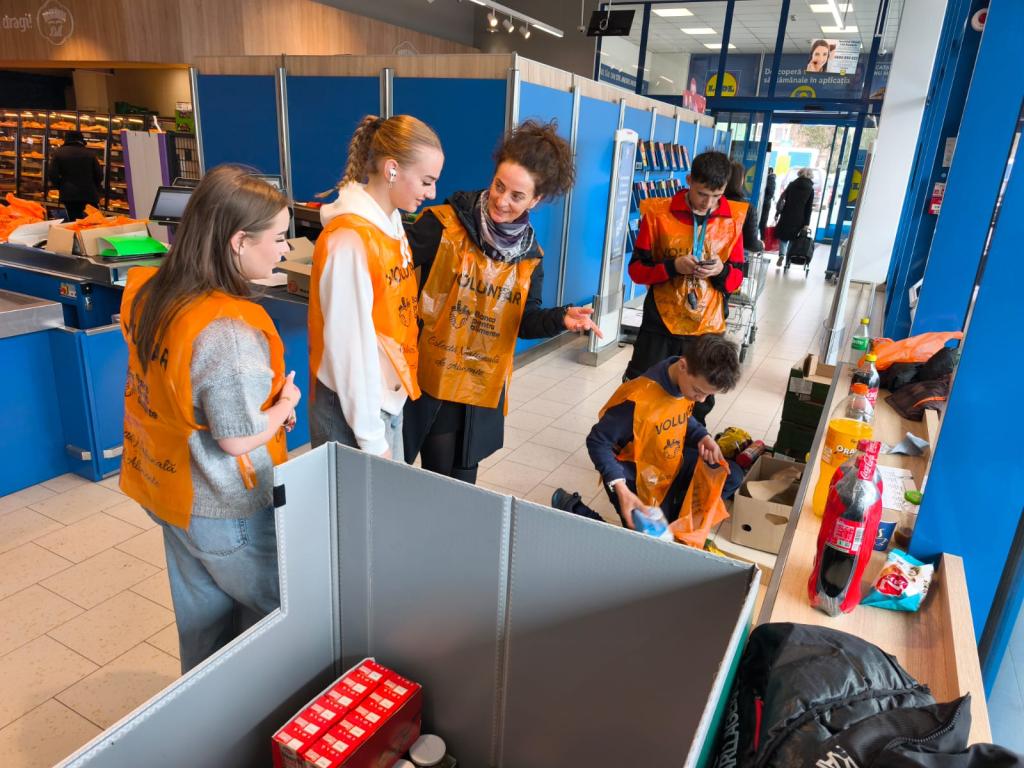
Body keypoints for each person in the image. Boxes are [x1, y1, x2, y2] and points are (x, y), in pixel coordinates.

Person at [119, 165, 300, 673]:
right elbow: (238, 440)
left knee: (203, 632)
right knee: (278, 616)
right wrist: (283, 407)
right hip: (227, 508)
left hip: (172, 489)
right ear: (239, 241)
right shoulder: (228, 332)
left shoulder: (153, 291)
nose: (285, 249)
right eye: (278, 238)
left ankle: (206, 711)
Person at [403, 119, 600, 484]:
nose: (502, 200)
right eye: (499, 186)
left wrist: (561, 318)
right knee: (437, 482)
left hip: (482, 386)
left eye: (517, 196)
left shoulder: (530, 256)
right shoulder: (444, 225)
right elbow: (393, 274)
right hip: (435, 380)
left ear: (536, 200)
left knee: (466, 483)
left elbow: (523, 320)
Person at [308, 114, 444, 459]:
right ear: (392, 169)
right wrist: (371, 437)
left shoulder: (391, 223)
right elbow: (349, 346)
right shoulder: (349, 239)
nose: (432, 193)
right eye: (426, 181)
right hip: (354, 411)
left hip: (383, 399)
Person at [552, 334, 744, 527]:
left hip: (667, 460)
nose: (701, 400)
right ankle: (572, 507)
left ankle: (676, 521)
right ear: (683, 366)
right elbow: (597, 441)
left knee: (731, 475)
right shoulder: (638, 400)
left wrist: (702, 436)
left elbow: (681, 415)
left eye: (708, 395)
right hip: (634, 473)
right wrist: (619, 487)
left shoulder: (682, 380)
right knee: (649, 535)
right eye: (699, 391)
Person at [623, 149, 747, 425]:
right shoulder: (657, 214)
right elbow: (636, 271)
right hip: (660, 324)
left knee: (699, 398)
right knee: (644, 389)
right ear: (689, 180)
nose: (708, 203)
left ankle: (688, 444)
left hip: (707, 328)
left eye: (717, 195)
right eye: (702, 193)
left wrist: (721, 271)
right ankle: (635, 444)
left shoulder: (733, 220)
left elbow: (737, 278)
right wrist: (672, 267)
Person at [47, 129, 102, 220]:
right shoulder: (90, 154)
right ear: (80, 140)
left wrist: (61, 186)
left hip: (69, 195)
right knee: (92, 221)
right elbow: (99, 175)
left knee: (74, 221)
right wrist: (93, 186)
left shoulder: (58, 153)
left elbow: (52, 174)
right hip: (89, 194)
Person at [774, 168, 815, 268]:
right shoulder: (810, 189)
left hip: (786, 214)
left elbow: (783, 199)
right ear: (810, 176)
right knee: (793, 239)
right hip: (800, 217)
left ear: (799, 174)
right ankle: (788, 259)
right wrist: (806, 223)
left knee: (784, 237)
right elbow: (808, 207)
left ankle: (782, 254)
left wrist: (778, 212)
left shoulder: (792, 184)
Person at [724, 160, 763, 253]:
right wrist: (761, 245)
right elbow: (750, 244)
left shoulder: (714, 201)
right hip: (733, 257)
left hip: (707, 254)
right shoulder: (747, 208)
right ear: (741, 180)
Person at [758, 167, 776, 238]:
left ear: (770, 171)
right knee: (761, 221)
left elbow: (770, 194)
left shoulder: (771, 179)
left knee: (763, 222)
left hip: (765, 204)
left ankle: (763, 238)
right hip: (764, 203)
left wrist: (763, 201)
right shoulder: (768, 179)